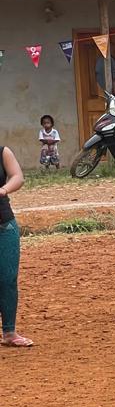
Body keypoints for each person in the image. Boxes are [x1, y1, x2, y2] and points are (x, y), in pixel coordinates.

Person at [0, 145, 30, 347]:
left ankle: (9, 332)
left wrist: (3, 190)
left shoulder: (2, 151)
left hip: (4, 224)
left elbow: (17, 176)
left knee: (8, 278)